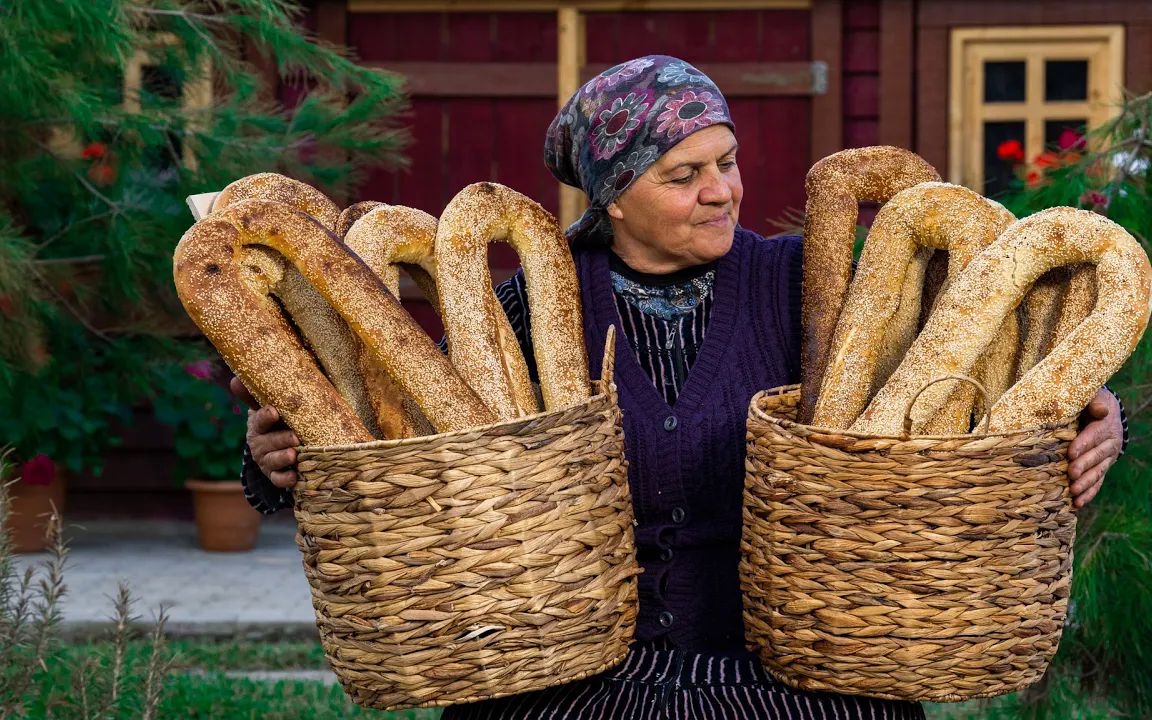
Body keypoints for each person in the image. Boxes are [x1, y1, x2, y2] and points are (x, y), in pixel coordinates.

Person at [233, 55, 1128, 719]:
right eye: (684, 175)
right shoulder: (518, 307)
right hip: (568, 684)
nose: (722, 192)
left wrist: (1092, 419)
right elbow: (416, 463)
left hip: (794, 681)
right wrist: (275, 465)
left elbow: (966, 383)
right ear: (613, 195)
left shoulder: (812, 294)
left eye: (727, 161)